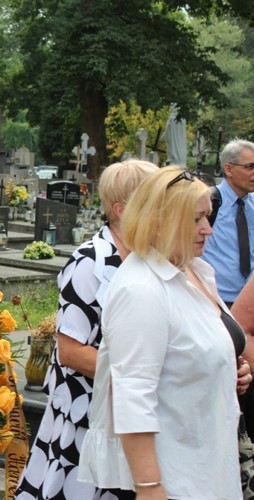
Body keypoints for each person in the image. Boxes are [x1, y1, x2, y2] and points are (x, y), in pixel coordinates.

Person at [79, 167, 249, 499]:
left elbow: (190, 350)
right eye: (197, 219)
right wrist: (149, 486)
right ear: (161, 220)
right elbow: (132, 396)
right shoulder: (143, 288)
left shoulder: (194, 270)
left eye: (208, 217)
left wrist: (229, 368)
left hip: (206, 460)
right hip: (174, 475)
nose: (208, 230)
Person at [15, 159, 158, 500]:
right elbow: (71, 350)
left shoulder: (151, 257)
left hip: (131, 410)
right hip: (88, 415)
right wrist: (144, 377)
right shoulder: (90, 262)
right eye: (154, 201)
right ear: (122, 209)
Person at [201, 138, 254, 307]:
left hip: (248, 302)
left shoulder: (252, 205)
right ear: (229, 169)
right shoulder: (208, 202)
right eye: (249, 167)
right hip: (215, 300)